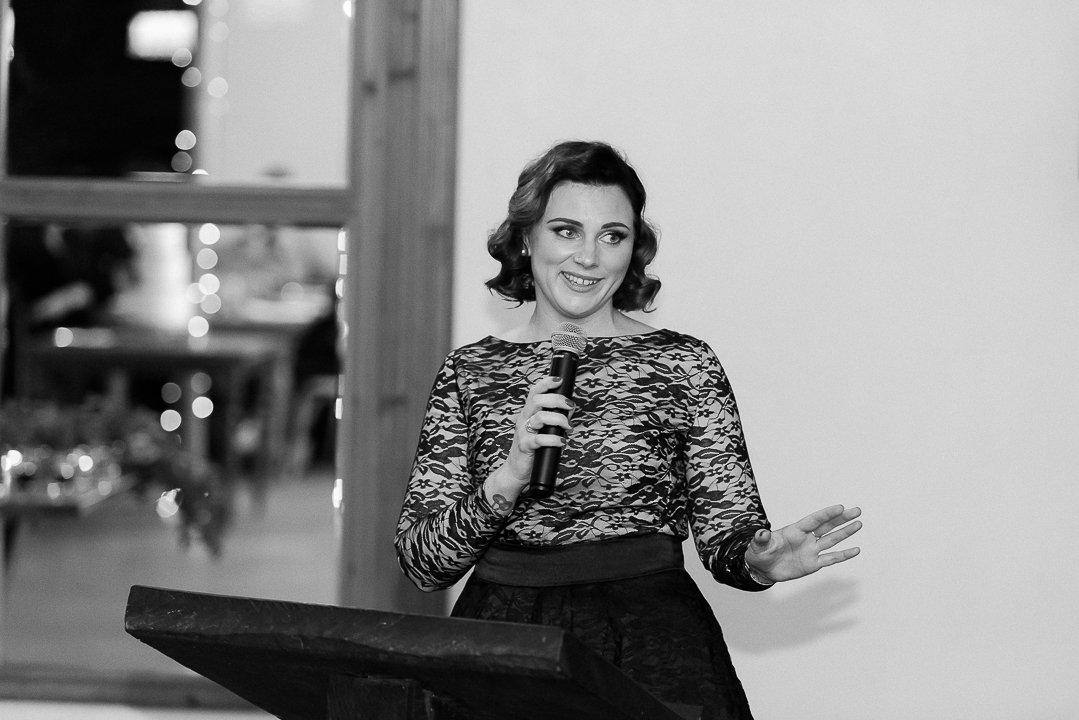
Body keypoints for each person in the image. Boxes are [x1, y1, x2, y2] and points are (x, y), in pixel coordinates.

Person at [395, 141, 862, 719]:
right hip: (502, 645)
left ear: (632, 249)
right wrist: (507, 478)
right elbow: (422, 563)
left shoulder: (683, 363)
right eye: (566, 231)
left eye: (612, 236)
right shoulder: (470, 371)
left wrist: (757, 561)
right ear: (527, 238)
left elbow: (727, 537)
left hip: (651, 641)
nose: (589, 257)